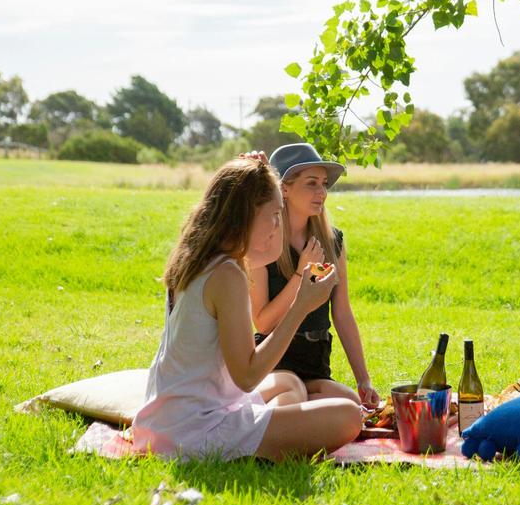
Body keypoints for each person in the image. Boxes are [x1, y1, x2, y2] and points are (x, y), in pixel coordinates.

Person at [131, 154, 362, 460]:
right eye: (274, 215)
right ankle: (263, 447)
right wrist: (300, 306)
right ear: (245, 215)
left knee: (289, 382)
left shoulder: (203, 258)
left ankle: (271, 437)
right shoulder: (228, 275)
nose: (278, 226)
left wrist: (256, 171)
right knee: (349, 415)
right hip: (196, 432)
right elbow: (248, 376)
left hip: (166, 422)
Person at [247, 143, 380, 407]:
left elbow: (342, 313)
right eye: (311, 184)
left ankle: (292, 408)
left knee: (351, 403)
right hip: (275, 360)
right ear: (284, 189)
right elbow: (263, 323)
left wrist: (363, 379)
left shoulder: (331, 241)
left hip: (315, 361)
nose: (322, 192)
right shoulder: (265, 241)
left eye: (323, 184)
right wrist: (300, 275)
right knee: (293, 394)